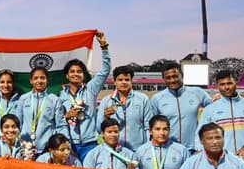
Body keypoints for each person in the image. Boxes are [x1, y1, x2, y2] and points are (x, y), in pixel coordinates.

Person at [59, 32, 111, 161]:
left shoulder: (90, 89)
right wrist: (66, 116)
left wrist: (104, 46)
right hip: (68, 144)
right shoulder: (60, 96)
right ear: (67, 75)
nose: (76, 74)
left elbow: (105, 70)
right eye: (72, 72)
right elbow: (57, 120)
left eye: (79, 71)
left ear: (83, 75)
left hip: (90, 143)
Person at [196, 70, 244, 163]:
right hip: (222, 160)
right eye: (222, 84)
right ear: (217, 85)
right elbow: (200, 133)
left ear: (236, 82)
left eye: (229, 83)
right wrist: (200, 151)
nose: (226, 87)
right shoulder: (210, 109)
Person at [150, 62, 211, 152]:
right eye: (168, 78)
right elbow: (152, 125)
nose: (172, 80)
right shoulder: (157, 99)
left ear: (182, 75)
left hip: (193, 149)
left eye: (175, 76)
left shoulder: (197, 92)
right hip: (168, 149)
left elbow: (214, 110)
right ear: (163, 79)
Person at [97, 65, 152, 152]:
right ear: (114, 82)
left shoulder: (143, 99)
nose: (124, 82)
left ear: (131, 81)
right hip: (114, 149)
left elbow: (148, 126)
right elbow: (99, 128)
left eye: (127, 80)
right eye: (120, 80)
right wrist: (105, 117)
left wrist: (147, 148)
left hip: (138, 150)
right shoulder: (106, 101)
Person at [19, 67, 67, 153]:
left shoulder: (54, 100)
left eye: (42, 78)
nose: (39, 81)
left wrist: (64, 144)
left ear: (47, 80)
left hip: (46, 148)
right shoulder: (23, 98)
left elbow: (61, 125)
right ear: (31, 81)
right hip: (25, 147)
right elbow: (18, 123)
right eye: (36, 78)